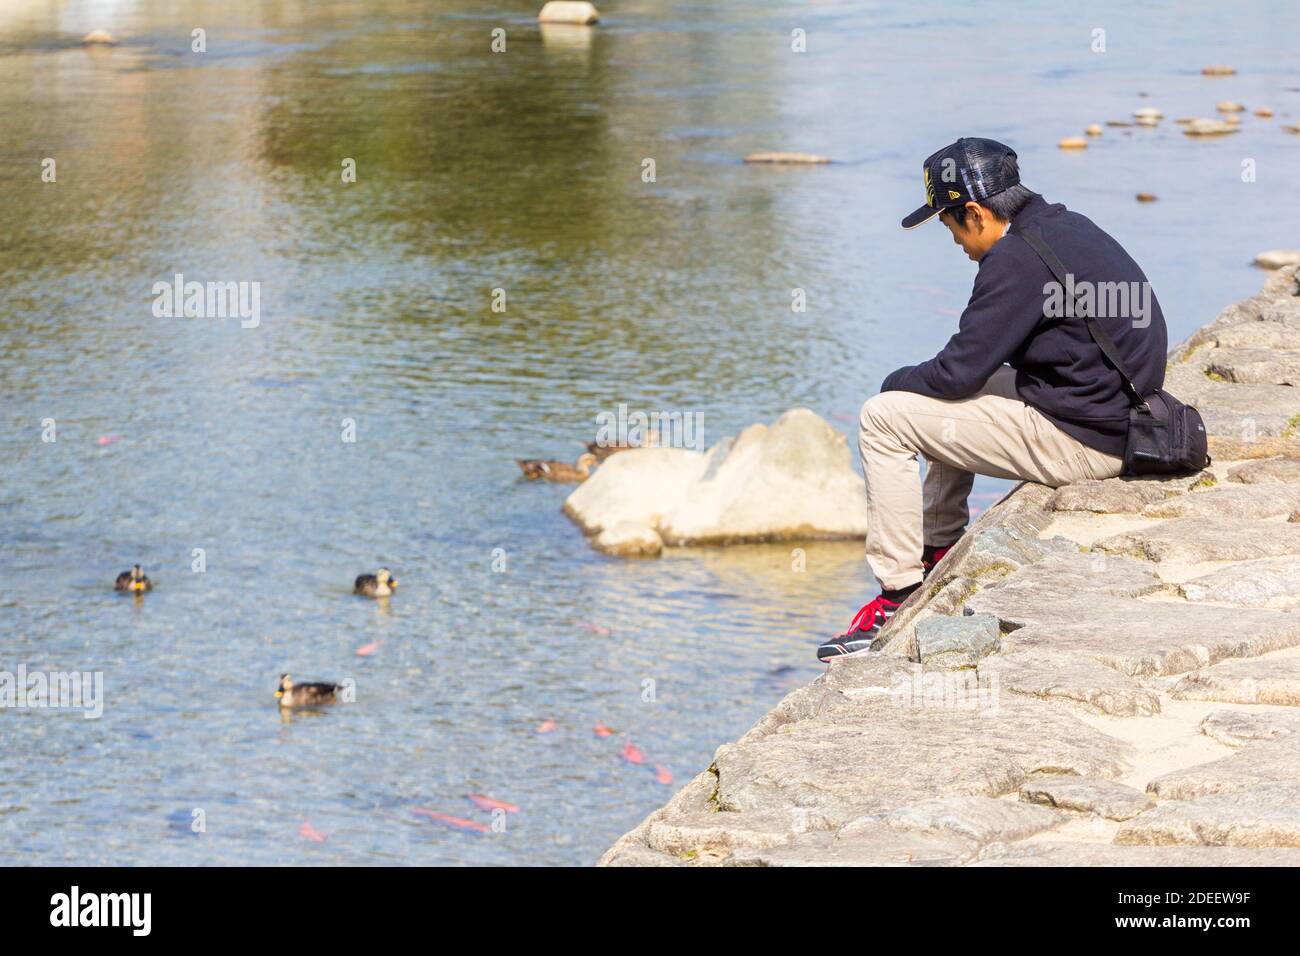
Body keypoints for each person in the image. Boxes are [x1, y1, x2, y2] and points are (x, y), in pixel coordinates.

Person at [817, 137, 1167, 661]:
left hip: (1092, 439)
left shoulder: (1015, 260)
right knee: (950, 393)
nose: (954, 240)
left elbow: (956, 371)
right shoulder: (1064, 227)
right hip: (1120, 409)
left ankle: (897, 594)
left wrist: (894, 381)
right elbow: (971, 369)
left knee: (884, 416)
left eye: (948, 224)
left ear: (975, 213)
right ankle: (936, 548)